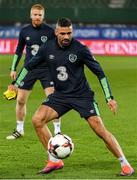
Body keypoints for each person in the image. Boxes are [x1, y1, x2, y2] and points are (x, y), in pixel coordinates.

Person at [14, 18, 134, 176]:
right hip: (60, 96)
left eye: (69, 33)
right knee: (37, 120)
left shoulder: (81, 49)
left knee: (100, 130)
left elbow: (100, 73)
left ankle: (125, 165)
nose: (66, 36)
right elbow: (28, 65)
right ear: (56, 32)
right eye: (62, 33)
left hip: (82, 96)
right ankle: (54, 160)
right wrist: (16, 83)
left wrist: (109, 97)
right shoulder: (46, 48)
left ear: (72, 32)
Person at [6, 4, 61, 140]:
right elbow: (18, 50)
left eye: (40, 15)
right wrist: (13, 68)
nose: (37, 17)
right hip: (29, 69)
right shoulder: (24, 31)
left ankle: (58, 131)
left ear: (43, 16)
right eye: (35, 14)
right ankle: (19, 129)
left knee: (54, 100)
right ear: (31, 15)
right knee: (20, 100)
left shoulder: (50, 32)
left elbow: (57, 50)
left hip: (46, 70)